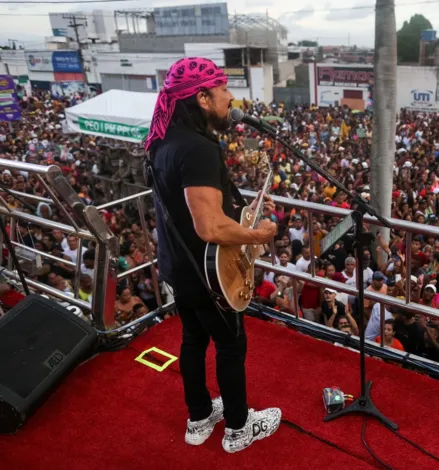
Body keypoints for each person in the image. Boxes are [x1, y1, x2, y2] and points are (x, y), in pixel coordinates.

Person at [146, 57, 281, 453]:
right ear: (203, 98)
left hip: (179, 265)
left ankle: (199, 418)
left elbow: (194, 209)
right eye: (223, 89)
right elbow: (210, 227)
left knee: (192, 340)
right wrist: (258, 232)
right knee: (230, 346)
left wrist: (245, 207)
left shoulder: (162, 140)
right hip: (209, 275)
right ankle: (239, 429)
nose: (230, 97)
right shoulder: (199, 148)